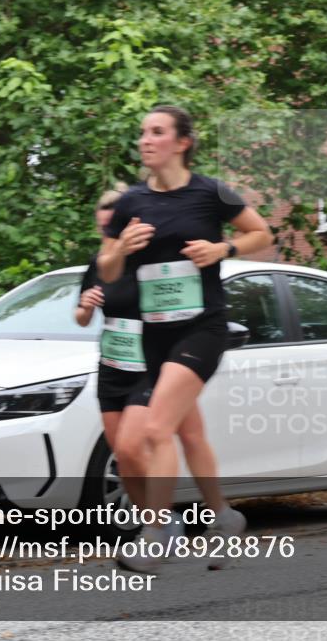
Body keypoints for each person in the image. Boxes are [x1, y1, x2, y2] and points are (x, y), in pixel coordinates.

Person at [98, 105, 274, 572]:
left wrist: (223, 248)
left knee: (155, 430)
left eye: (156, 132)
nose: (145, 140)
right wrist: (121, 248)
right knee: (189, 434)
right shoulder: (130, 203)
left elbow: (261, 233)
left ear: (182, 143)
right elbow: (107, 269)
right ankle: (222, 516)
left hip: (202, 328)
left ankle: (156, 535)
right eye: (142, 133)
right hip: (156, 336)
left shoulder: (210, 192)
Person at [75, 182, 241, 538]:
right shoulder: (101, 264)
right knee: (129, 456)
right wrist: (86, 307)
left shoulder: (151, 255)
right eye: (106, 229)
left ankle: (161, 528)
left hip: (151, 363)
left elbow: (178, 296)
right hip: (114, 366)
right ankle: (182, 521)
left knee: (143, 442)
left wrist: (215, 250)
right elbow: (81, 314)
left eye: (116, 226)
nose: (111, 233)